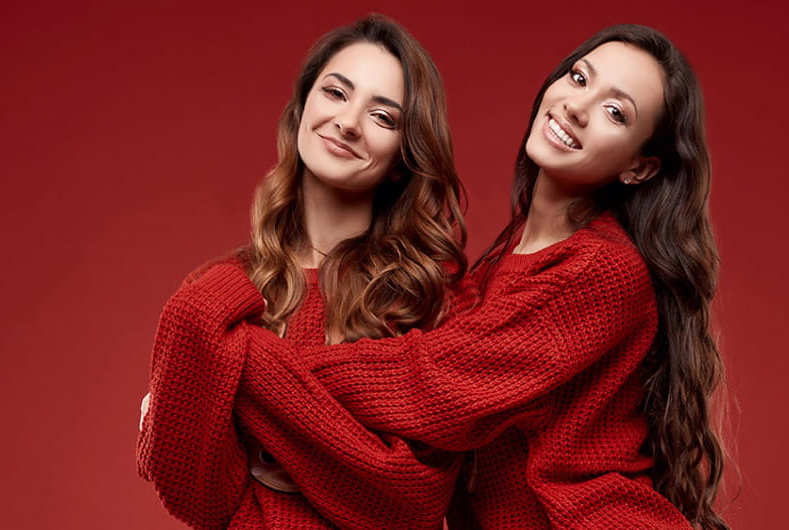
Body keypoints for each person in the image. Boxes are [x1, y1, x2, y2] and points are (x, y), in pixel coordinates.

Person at [174, 24, 730, 529]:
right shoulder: (498, 265)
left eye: (617, 112)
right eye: (579, 77)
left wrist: (221, 366)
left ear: (640, 166)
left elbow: (430, 382)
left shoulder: (600, 270)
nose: (578, 107)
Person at [137, 15, 475, 529]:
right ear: (302, 110)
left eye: (383, 118)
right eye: (336, 93)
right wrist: (335, 449)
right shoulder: (221, 292)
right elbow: (195, 495)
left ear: (403, 159)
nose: (348, 122)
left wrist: (255, 403)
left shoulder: (431, 295)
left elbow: (412, 497)